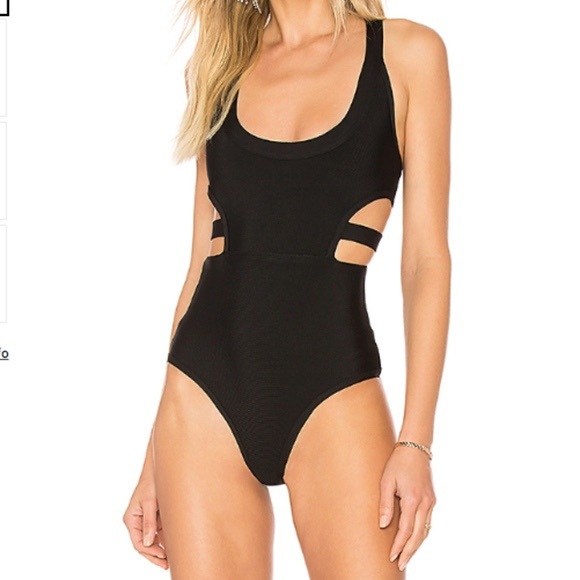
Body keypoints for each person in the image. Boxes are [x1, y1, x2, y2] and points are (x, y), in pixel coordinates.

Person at [123, 0, 451, 577]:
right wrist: (155, 459)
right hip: (201, 395)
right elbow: (201, 262)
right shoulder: (219, 66)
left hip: (334, 387)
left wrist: (415, 441)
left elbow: (425, 261)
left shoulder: (406, 54)